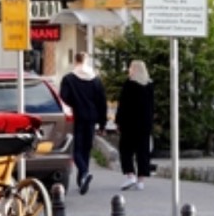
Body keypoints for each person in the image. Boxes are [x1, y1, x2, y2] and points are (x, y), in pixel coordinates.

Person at [60, 51, 108, 195]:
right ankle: (82, 178)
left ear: (75, 61)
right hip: (91, 117)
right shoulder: (96, 80)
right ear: (86, 61)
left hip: (76, 117)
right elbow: (102, 102)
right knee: (86, 148)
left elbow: (64, 98)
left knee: (76, 149)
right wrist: (102, 123)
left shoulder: (69, 79)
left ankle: (84, 173)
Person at [115, 60, 155, 190]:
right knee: (143, 152)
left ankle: (130, 174)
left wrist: (118, 121)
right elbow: (151, 106)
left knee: (126, 150)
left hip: (129, 124)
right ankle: (141, 180)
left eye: (130, 67)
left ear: (134, 70)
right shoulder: (149, 85)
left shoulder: (129, 84)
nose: (128, 70)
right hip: (144, 125)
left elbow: (123, 105)